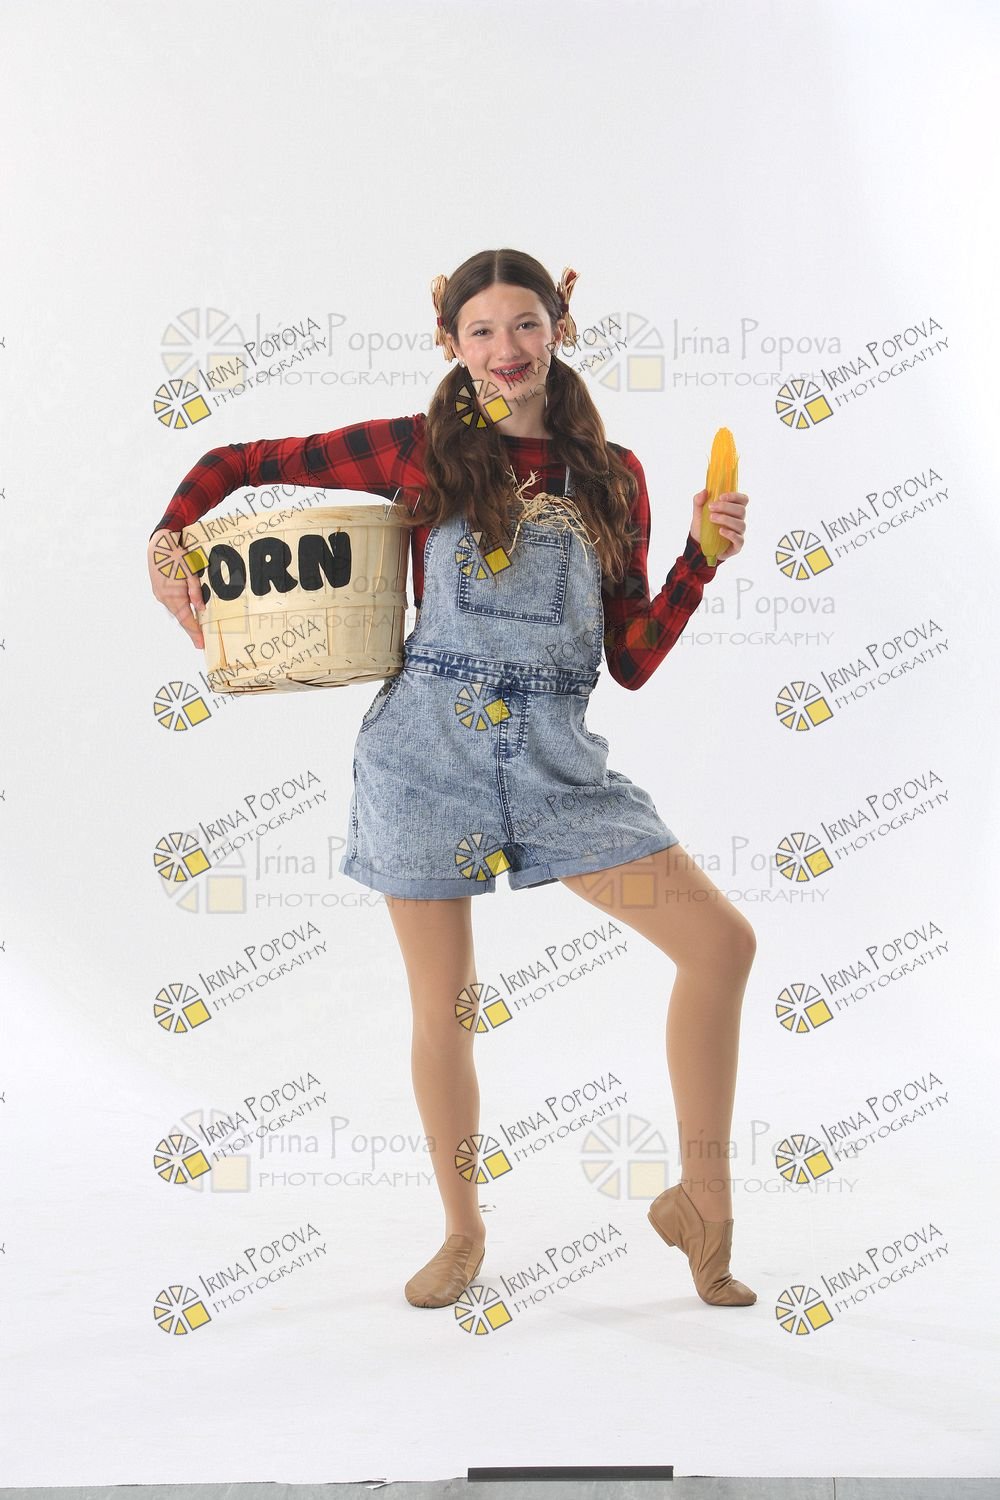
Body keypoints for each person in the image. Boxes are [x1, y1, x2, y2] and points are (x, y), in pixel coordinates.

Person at [147, 249, 756, 1312]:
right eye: (481, 330)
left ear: (560, 328)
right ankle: (463, 1229)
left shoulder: (613, 475)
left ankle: (703, 1205)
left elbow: (630, 659)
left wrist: (702, 556)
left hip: (557, 766)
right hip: (425, 760)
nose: (505, 349)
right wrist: (168, 544)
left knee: (722, 946)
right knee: (448, 1009)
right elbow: (239, 459)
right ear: (449, 341)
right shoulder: (417, 451)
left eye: (525, 325)